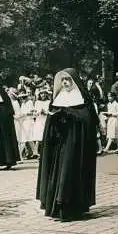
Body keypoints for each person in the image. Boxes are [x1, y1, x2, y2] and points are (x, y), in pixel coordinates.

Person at [36, 68, 99, 221]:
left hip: (76, 145)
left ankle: (71, 208)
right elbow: (51, 123)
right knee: (58, 172)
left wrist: (69, 116)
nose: (64, 83)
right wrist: (54, 119)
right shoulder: (58, 98)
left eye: (68, 80)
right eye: (62, 80)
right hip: (59, 143)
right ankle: (56, 207)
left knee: (70, 172)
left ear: (74, 82)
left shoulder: (83, 100)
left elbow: (88, 121)